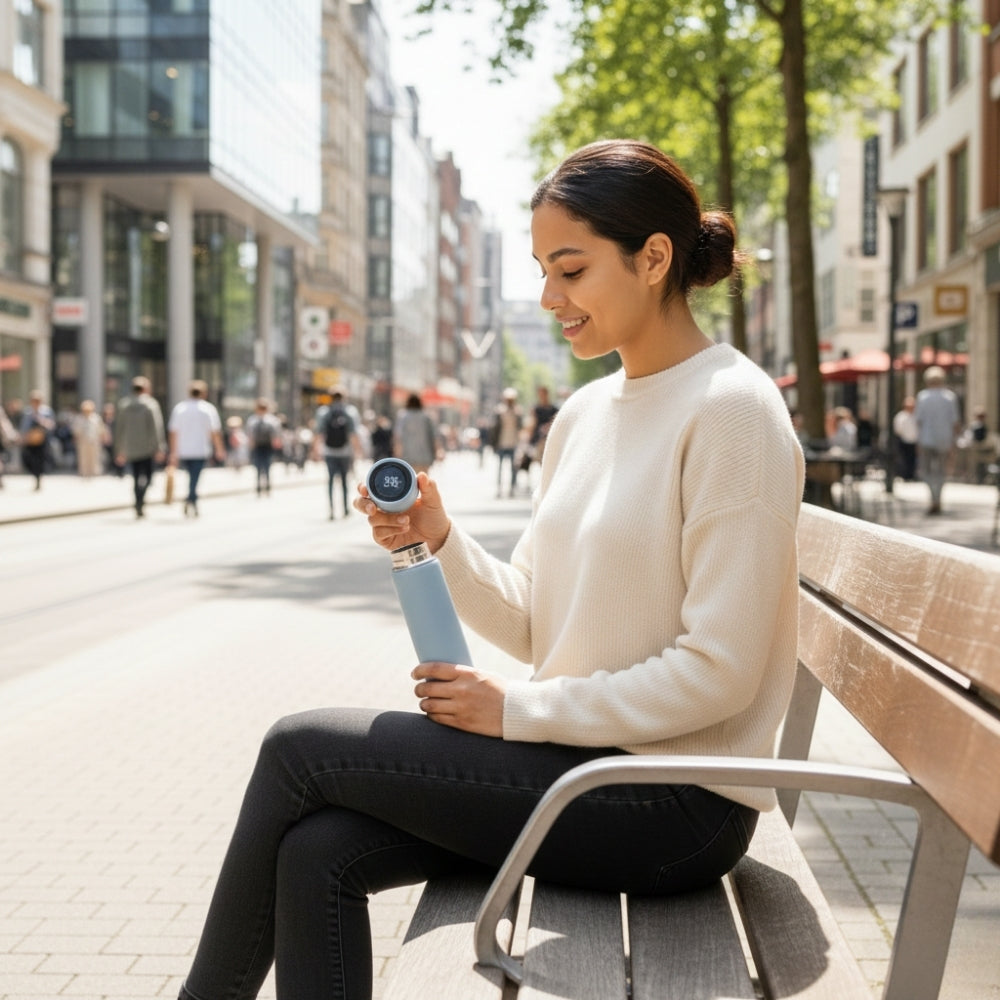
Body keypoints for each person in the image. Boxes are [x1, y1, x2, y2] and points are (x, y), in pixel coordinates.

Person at [176, 139, 804, 1000]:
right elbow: (537, 617)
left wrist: (519, 710)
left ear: (654, 258)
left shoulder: (733, 411)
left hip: (671, 803)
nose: (550, 298)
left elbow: (722, 673)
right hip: (582, 770)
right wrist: (440, 540)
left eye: (572, 270)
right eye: (545, 270)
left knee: (297, 749)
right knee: (316, 849)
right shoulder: (584, 413)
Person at [168, 379, 225, 517]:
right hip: (200, 449)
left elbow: (173, 432)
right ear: (204, 393)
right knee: (195, 477)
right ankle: (192, 498)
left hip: (184, 449)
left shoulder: (180, 409)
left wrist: (173, 451)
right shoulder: (208, 409)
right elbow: (214, 432)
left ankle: (191, 497)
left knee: (190, 476)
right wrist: (219, 449)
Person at [114, 376, 166, 518]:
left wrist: (119, 450)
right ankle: (140, 500)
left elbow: (119, 429)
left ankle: (138, 501)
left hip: (131, 448)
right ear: (145, 389)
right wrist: (159, 447)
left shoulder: (124, 405)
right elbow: (157, 428)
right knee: (148, 477)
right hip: (148, 448)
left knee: (136, 477)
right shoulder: (150, 405)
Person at [914, 365, 961, 515]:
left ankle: (933, 498)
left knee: (926, 471)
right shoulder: (949, 397)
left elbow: (918, 421)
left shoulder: (923, 397)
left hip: (927, 439)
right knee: (941, 471)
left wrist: (918, 440)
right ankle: (937, 498)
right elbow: (955, 422)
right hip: (944, 439)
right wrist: (953, 442)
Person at [313, 390, 360, 519]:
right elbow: (354, 433)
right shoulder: (350, 411)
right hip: (345, 452)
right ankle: (345, 509)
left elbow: (318, 432)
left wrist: (315, 450)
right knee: (345, 481)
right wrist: (357, 451)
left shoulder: (323, 412)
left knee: (331, 480)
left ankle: (331, 510)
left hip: (329, 451)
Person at [245, 398, 283, 497]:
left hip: (267, 446)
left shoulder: (271, 420)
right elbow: (250, 434)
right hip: (258, 446)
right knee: (258, 466)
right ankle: (258, 486)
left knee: (267, 466)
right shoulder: (253, 419)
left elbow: (276, 434)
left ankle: (267, 485)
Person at [18, 390, 55, 491]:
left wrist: (41, 420)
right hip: (30, 441)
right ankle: (35, 475)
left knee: (40, 461)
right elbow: (24, 427)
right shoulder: (28, 412)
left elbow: (51, 425)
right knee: (29, 460)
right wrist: (23, 437)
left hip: (42, 441)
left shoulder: (46, 412)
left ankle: (38, 479)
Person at [393, 392, 438, 474]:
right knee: (423, 479)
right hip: (425, 455)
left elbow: (398, 435)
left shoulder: (403, 416)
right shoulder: (426, 417)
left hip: (407, 455)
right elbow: (433, 436)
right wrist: (437, 451)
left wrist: (397, 451)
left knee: (409, 479)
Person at [492, 387, 522, 497]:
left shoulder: (517, 411)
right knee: (500, 467)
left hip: (513, 443)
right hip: (502, 443)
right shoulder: (500, 411)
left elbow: (520, 426)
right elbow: (495, 428)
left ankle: (512, 488)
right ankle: (499, 488)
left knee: (513, 468)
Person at [72, 399, 105, 478]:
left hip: (94, 441)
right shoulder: (79, 418)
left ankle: (94, 472)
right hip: (82, 441)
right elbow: (75, 430)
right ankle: (84, 472)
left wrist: (102, 438)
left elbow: (101, 429)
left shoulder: (96, 418)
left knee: (94, 457)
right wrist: (75, 438)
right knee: (83, 457)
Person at [528, 384, 559, 466]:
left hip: (549, 439)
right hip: (538, 439)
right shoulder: (536, 409)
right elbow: (532, 424)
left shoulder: (554, 409)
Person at [892, 396, 918, 482]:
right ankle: (904, 475)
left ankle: (911, 475)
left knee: (913, 459)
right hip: (903, 441)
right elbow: (897, 429)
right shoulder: (900, 416)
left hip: (914, 441)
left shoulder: (916, 416)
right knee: (903, 459)